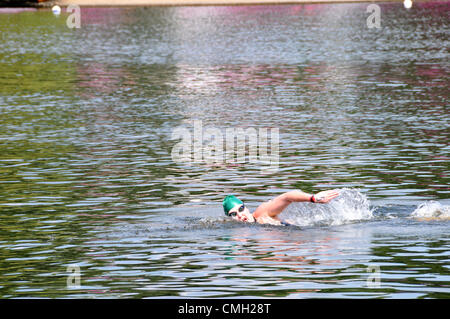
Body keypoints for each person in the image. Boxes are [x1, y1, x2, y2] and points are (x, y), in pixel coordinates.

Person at [223, 189, 340, 226]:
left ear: (246, 208)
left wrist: (313, 198)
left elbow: (287, 197)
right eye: (233, 214)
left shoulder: (261, 213)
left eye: (241, 209)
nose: (240, 215)